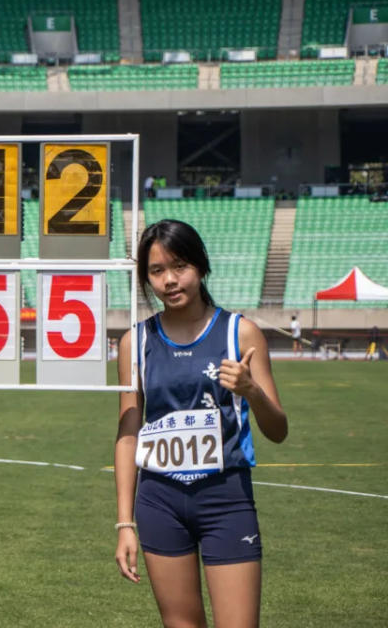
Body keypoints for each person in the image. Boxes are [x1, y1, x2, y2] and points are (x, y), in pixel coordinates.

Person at [114, 219, 288, 627]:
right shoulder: (134, 343)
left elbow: (278, 430)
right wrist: (125, 523)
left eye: (180, 267)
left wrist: (251, 391)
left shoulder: (240, 333)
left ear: (201, 266)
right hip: (158, 501)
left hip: (226, 500)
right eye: (156, 271)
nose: (170, 281)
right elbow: (127, 435)